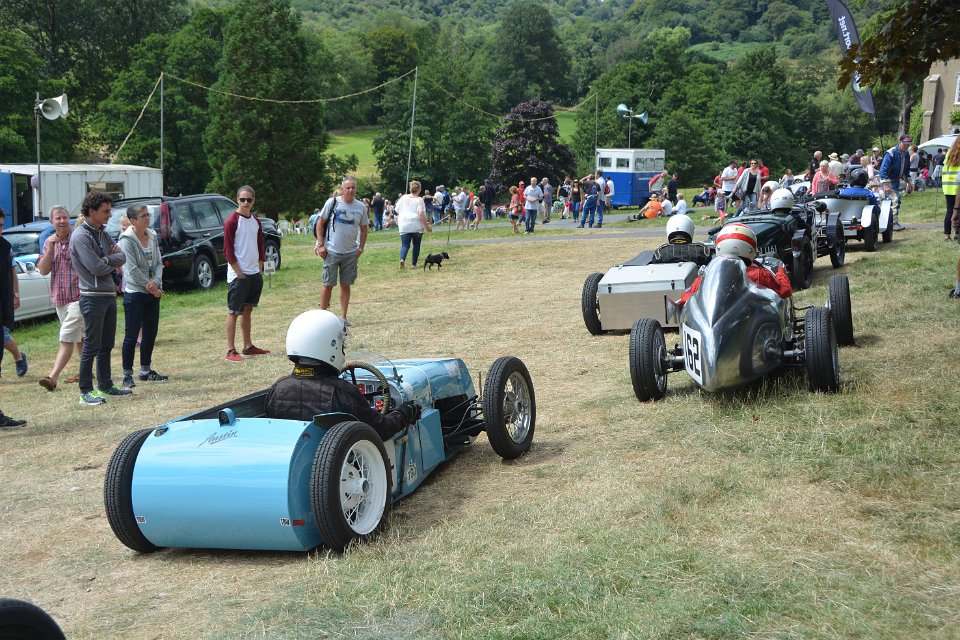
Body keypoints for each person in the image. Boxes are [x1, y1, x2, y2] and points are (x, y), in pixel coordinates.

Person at [265, 310, 421, 437]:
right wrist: (405, 412)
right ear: (329, 346)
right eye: (341, 345)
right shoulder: (343, 392)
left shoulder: (277, 389)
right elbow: (381, 430)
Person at [70, 191, 130, 405]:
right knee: (91, 346)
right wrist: (108, 261)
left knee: (107, 344)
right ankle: (85, 391)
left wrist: (105, 259)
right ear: (91, 211)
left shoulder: (102, 233)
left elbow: (122, 256)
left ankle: (106, 385)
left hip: (108, 295)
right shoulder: (81, 236)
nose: (109, 215)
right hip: (92, 297)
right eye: (105, 211)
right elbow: (95, 267)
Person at [678, 223, 792, 307]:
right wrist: (780, 272)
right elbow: (784, 291)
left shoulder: (708, 277)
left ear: (719, 248)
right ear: (750, 249)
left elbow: (685, 297)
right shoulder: (760, 274)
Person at [118, 204, 166, 388]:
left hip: (152, 292)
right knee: (131, 336)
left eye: (148, 215)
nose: (148, 218)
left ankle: (145, 370)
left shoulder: (152, 235)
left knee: (150, 333)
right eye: (143, 215)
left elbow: (159, 263)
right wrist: (150, 286)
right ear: (133, 220)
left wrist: (156, 282)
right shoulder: (126, 240)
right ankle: (127, 375)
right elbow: (131, 270)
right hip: (135, 294)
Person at [36, 205, 83, 391]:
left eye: (65, 217)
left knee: (67, 336)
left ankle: (52, 377)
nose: (62, 221)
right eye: (58, 218)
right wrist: (51, 248)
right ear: (51, 222)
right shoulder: (49, 241)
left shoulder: (77, 239)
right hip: (60, 298)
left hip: (79, 296)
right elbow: (43, 270)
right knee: (80, 337)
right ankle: (85, 371)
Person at [223, 185, 269, 362]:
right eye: (242, 199)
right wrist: (239, 272)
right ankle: (230, 350)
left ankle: (248, 346)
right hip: (238, 275)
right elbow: (228, 250)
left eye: (249, 200)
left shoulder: (255, 220)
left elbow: (259, 245)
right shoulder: (232, 221)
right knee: (234, 311)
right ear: (237, 200)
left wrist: (259, 267)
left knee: (248, 310)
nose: (246, 203)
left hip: (253, 273)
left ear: (253, 201)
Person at [315, 177, 368, 326]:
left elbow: (364, 228)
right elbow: (320, 223)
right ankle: (322, 318)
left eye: (353, 188)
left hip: (350, 253)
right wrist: (320, 244)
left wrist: (360, 248)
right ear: (342, 188)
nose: (350, 190)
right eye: (348, 188)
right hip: (331, 251)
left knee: (346, 284)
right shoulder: (332, 203)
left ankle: (343, 318)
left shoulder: (360, 207)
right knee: (328, 284)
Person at [0, 208, 28, 379]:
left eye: (1, 226)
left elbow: (11, 273)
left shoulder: (4, 248)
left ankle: (18, 357)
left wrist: (15, 295)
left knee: (3, 336)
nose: (0, 230)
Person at [396, 180, 433, 268]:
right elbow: (421, 214)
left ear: (410, 188)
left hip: (404, 224)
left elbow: (396, 210)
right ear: (419, 189)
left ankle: (402, 259)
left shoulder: (403, 198)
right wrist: (427, 227)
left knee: (405, 245)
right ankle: (413, 264)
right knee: (416, 245)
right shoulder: (419, 200)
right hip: (416, 224)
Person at [879, 134, 912, 231]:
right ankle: (893, 223)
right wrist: (885, 184)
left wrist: (909, 182)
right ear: (900, 142)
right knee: (895, 199)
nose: (906, 146)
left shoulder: (906, 154)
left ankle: (889, 222)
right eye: (904, 144)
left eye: (908, 144)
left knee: (891, 201)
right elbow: (883, 169)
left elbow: (906, 170)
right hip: (889, 180)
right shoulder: (891, 153)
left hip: (896, 181)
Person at [941, 136, 960, 241]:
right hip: (958, 186)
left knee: (949, 210)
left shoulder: (949, 153)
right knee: (958, 210)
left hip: (948, 186)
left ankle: (946, 235)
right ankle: (957, 234)